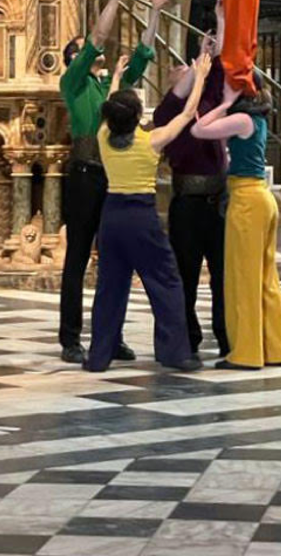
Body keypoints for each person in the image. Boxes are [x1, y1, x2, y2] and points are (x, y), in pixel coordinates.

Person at [58, 0, 173, 363]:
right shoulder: (73, 83)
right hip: (83, 177)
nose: (101, 54)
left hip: (112, 178)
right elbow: (98, 36)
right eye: (87, 50)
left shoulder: (116, 88)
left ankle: (110, 337)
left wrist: (155, 11)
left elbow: (144, 53)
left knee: (113, 264)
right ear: (74, 58)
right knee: (76, 257)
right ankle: (71, 338)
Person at [85, 51, 213, 373]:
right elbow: (187, 113)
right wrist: (200, 76)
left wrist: (116, 75)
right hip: (141, 217)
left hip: (111, 217)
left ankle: (100, 355)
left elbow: (112, 103)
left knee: (110, 287)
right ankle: (175, 353)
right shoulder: (152, 141)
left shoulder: (103, 137)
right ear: (138, 115)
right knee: (166, 282)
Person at [192, 84, 281, 371]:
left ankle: (247, 353)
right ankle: (276, 348)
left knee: (243, 279)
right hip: (261, 197)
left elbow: (199, 130)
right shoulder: (258, 119)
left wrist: (224, 103)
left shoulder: (242, 119)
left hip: (247, 200)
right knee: (265, 279)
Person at [153, 0, 229, 358]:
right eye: (179, 70)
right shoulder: (167, 113)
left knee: (222, 278)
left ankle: (226, 335)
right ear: (172, 83)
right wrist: (199, 64)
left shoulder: (210, 99)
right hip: (186, 204)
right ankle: (187, 339)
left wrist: (220, 20)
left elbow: (221, 64)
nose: (187, 69)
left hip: (216, 202)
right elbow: (188, 87)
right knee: (185, 277)